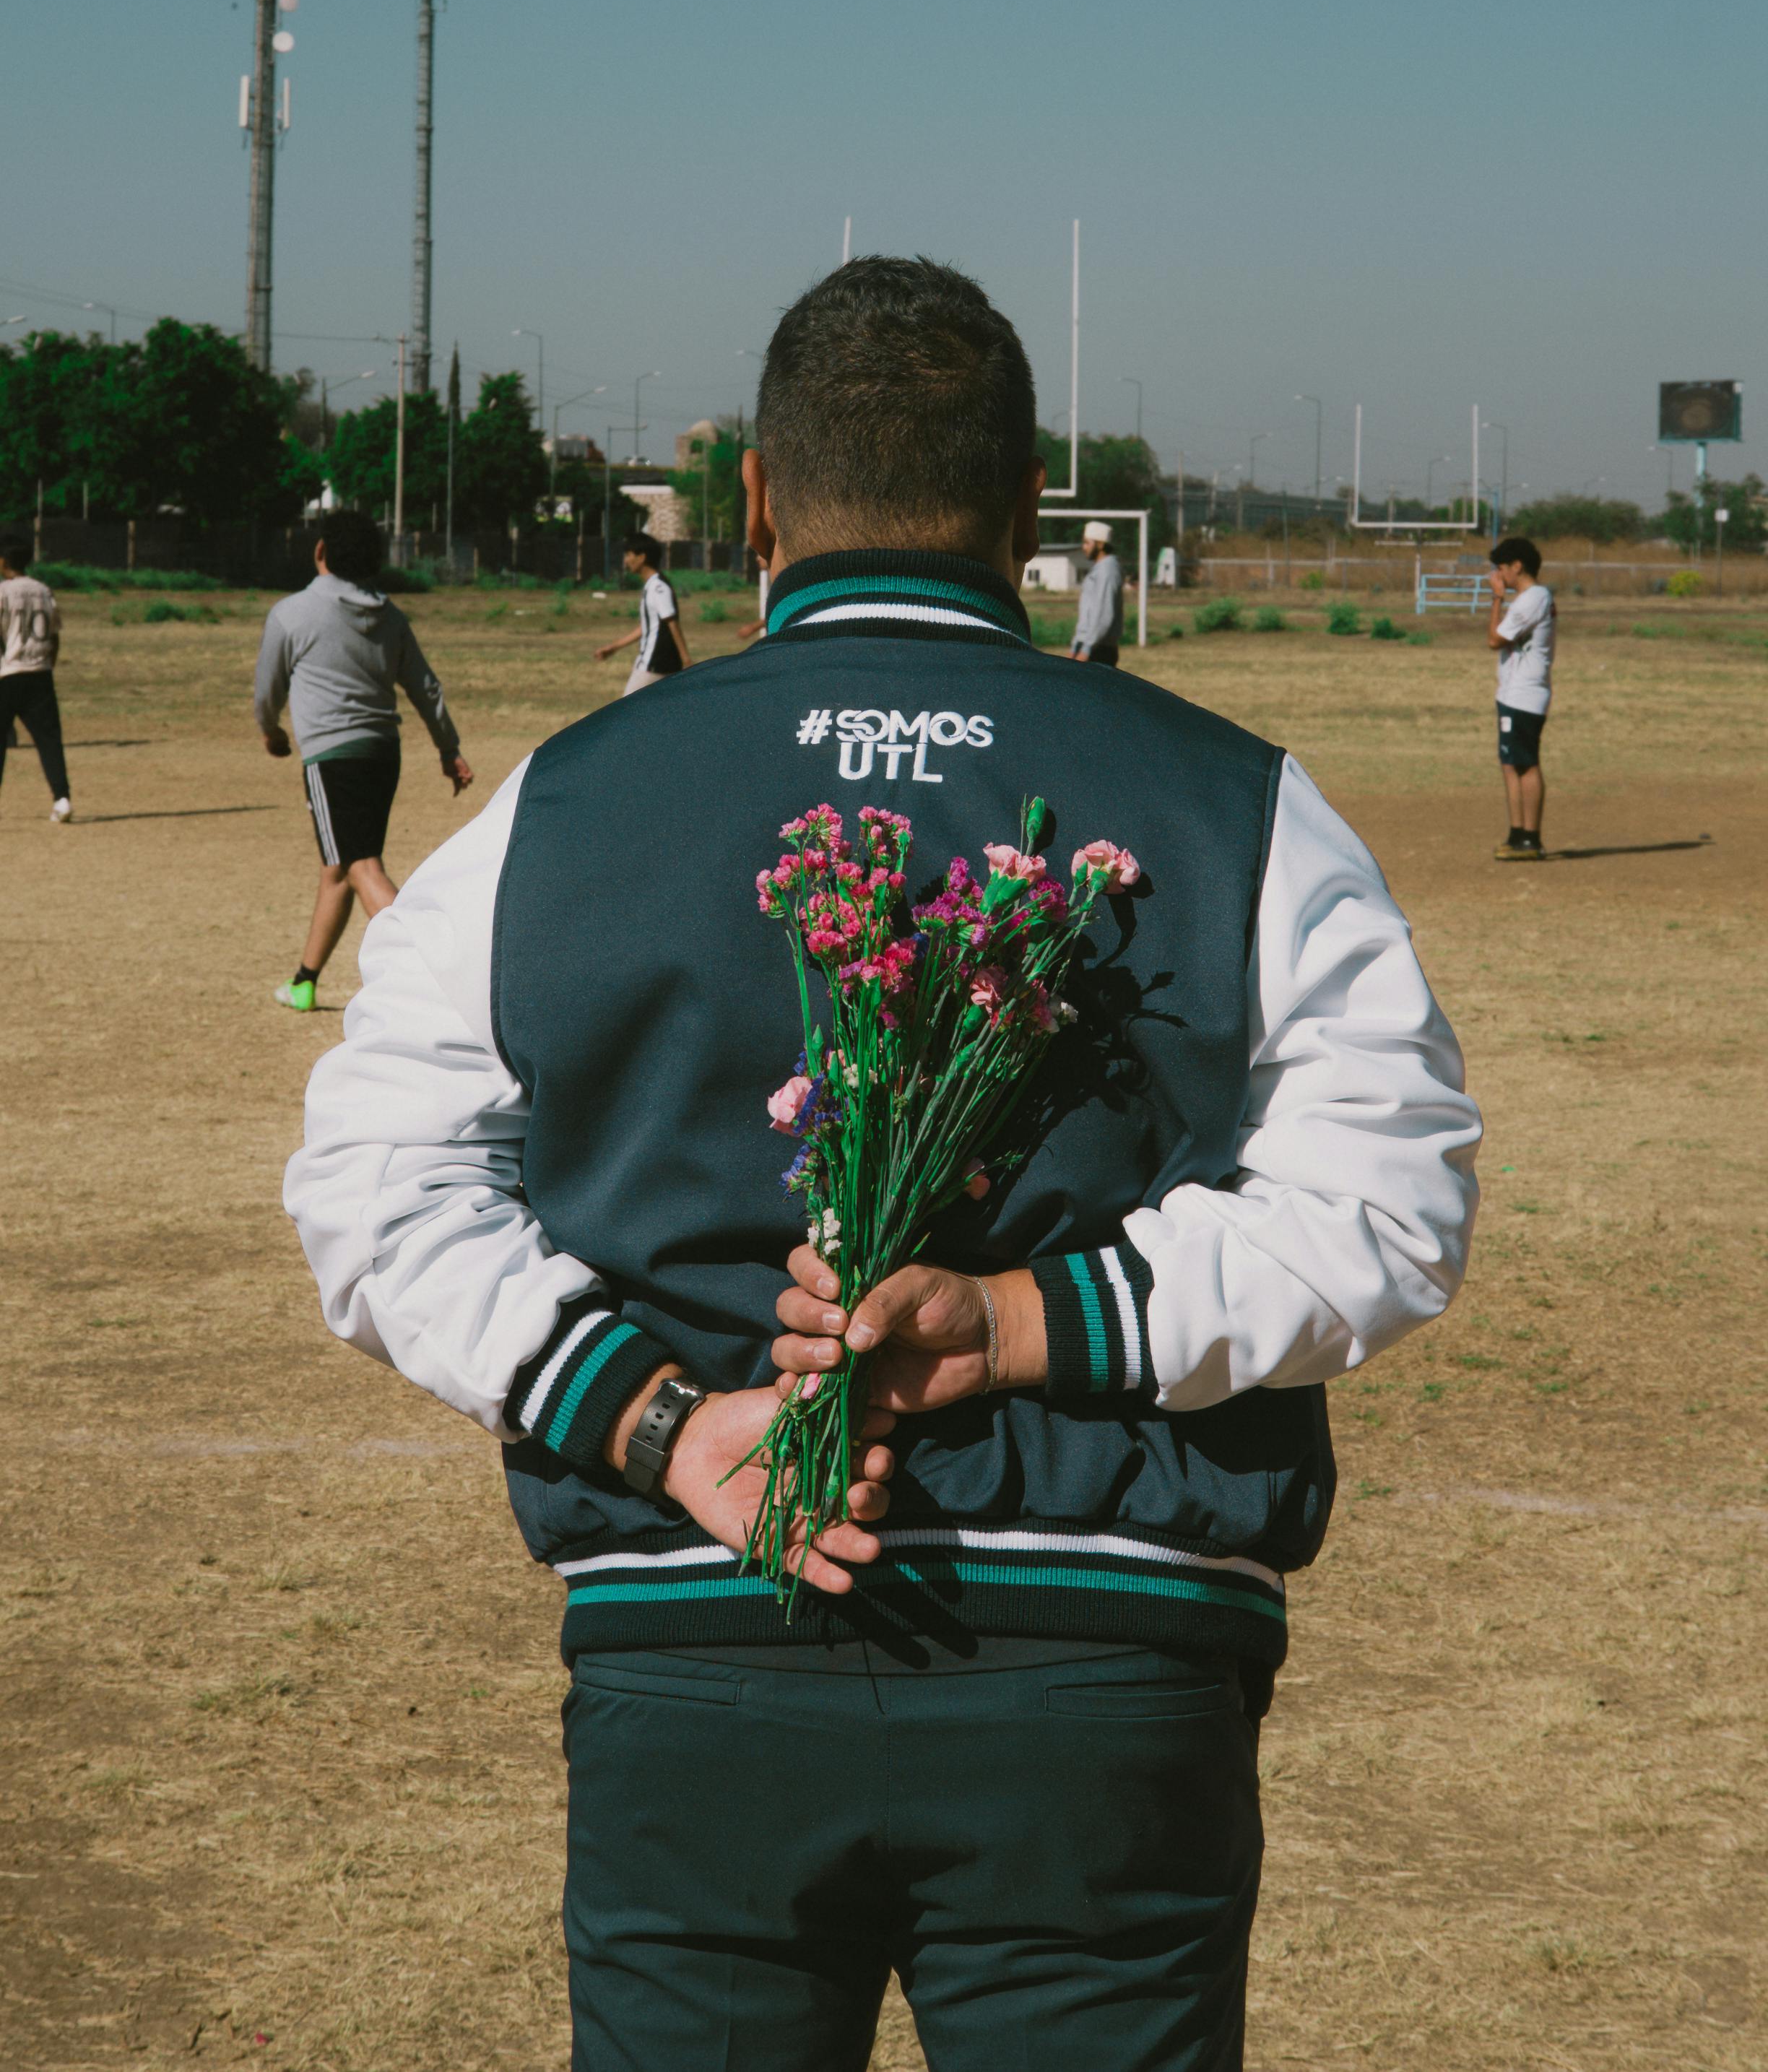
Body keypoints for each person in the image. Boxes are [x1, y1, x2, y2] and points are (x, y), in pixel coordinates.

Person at [285, 257, 1480, 2071]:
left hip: (698, 1663)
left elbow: (371, 1194)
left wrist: (660, 1422)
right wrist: (1023, 1325)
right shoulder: (1238, 800)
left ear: (753, 507)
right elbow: (1389, 1203)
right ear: (1026, 509)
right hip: (1107, 1688)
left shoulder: (562, 803)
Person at [254, 508, 473, 1013]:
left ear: (320, 552)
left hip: (332, 756)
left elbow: (267, 689)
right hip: (382, 753)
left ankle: (433, 976)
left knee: (361, 864)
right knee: (340, 865)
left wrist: (271, 732)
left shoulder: (292, 612)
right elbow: (425, 686)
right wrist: (448, 748)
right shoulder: (390, 615)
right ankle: (305, 981)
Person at [1486, 534, 1555, 860]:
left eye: (1503, 568)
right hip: (1515, 693)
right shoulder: (1532, 599)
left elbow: (1495, 639)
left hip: (1525, 695)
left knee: (1525, 764)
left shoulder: (1534, 598)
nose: (1501, 575)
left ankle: (1531, 837)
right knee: (1511, 763)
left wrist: (1497, 599)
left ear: (1518, 566)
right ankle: (1518, 835)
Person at [0, 531, 72, 822]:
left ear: (3, 561)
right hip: (40, 673)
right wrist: (48, 665)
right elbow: (54, 636)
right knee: (49, 740)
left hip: (8, 674)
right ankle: (62, 799)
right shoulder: (44, 590)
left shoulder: (3, 592)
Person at [594, 532, 690, 691]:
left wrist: (686, 659)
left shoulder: (658, 587)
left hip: (653, 664)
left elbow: (672, 623)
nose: (626, 561)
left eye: (628, 555)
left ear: (642, 557)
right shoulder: (653, 585)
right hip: (661, 664)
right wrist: (613, 647)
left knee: (628, 711)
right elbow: (648, 627)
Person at [1070, 516, 1123, 664]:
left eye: (1087, 543)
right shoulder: (1099, 569)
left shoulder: (1108, 570)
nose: (1084, 547)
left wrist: (1086, 650)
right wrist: (1076, 646)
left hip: (1098, 649)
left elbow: (1104, 613)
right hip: (1088, 645)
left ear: (1100, 544)